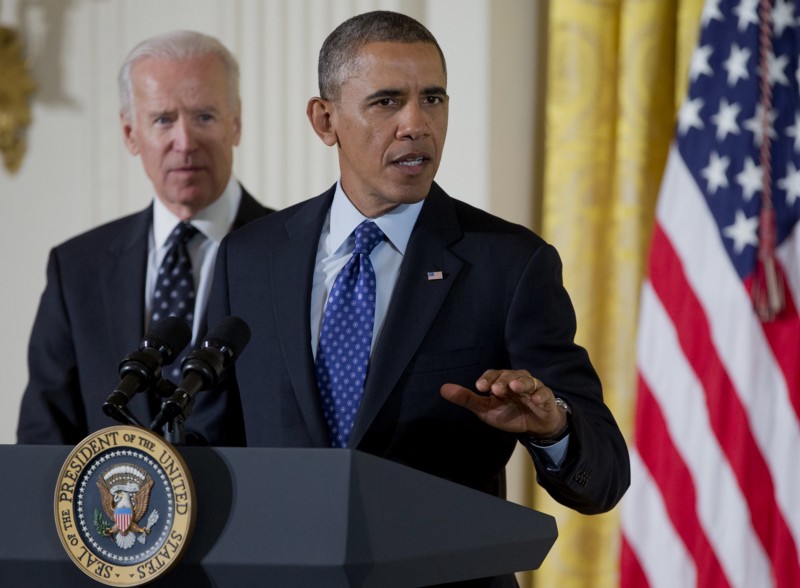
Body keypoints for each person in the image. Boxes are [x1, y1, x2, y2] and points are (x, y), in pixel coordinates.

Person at [207, 11, 629, 583]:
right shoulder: (250, 259)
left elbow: (604, 474)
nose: (416, 124)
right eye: (386, 102)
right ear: (324, 119)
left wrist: (551, 427)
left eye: (433, 99)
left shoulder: (509, 264)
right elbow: (209, 444)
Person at [17, 30, 272, 445]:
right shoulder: (77, 267)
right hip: (113, 509)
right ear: (130, 133)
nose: (184, 142)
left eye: (204, 116)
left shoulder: (292, 255)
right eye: (163, 119)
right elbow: (43, 436)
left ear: (236, 123)